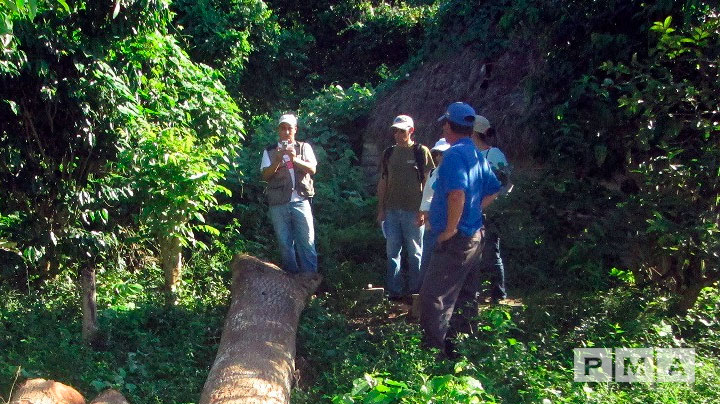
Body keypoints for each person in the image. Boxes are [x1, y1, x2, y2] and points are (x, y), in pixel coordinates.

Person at [419, 102, 501, 357]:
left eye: (445, 123)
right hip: (474, 236)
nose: (443, 127)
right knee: (466, 295)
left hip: (457, 239)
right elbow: (494, 189)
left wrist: (450, 230)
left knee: (433, 296)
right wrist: (473, 213)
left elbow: (457, 194)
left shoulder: (454, 154)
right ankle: (462, 350)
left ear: (448, 126)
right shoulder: (475, 152)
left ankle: (433, 354)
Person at [377, 115, 435, 300]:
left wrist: (424, 210)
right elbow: (383, 181)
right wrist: (381, 209)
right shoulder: (389, 153)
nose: (397, 134)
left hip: (414, 210)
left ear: (411, 131)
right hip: (392, 209)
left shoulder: (421, 151)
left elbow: (428, 182)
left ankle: (415, 292)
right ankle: (394, 291)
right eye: (395, 130)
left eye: (401, 130)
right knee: (392, 252)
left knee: (415, 252)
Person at [260, 113, 318, 273]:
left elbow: (313, 169)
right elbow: (265, 176)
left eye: (289, 129)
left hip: (301, 200)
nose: (286, 132)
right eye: (283, 128)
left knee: (307, 242)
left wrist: (295, 159)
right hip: (278, 203)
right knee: (285, 245)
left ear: (295, 130)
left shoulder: (304, 147)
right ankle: (291, 284)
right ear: (278, 130)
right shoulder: (270, 151)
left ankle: (309, 283)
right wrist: (278, 161)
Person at [472, 115, 511, 303]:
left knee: (490, 251)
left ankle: (498, 294)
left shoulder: (494, 155)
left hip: (490, 212)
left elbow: (505, 184)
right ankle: (474, 292)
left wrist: (489, 203)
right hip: (471, 211)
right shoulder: (468, 153)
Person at [417, 138, 451, 285]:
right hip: (432, 223)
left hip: (449, 223)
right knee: (428, 257)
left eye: (442, 153)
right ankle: (423, 290)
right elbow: (426, 197)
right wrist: (424, 214)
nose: (438, 157)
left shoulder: (454, 174)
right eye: (437, 153)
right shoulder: (432, 173)